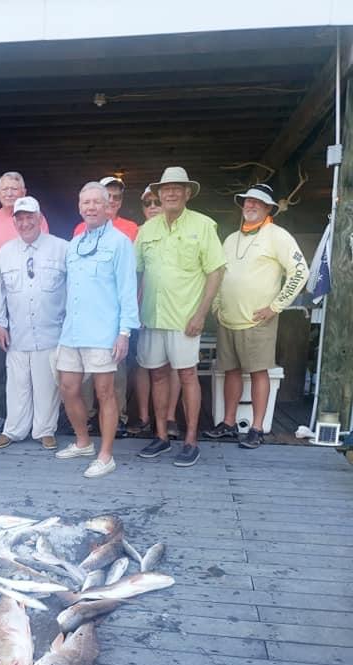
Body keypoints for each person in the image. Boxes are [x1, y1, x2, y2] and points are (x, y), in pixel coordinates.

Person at [204, 183, 309, 449]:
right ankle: (228, 423)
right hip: (228, 319)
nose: (250, 205)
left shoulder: (277, 235)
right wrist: (216, 305)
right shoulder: (231, 239)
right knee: (230, 372)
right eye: (247, 201)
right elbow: (220, 274)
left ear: (268, 208)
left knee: (259, 373)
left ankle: (257, 428)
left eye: (257, 202)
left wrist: (275, 307)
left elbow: (300, 271)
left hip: (258, 319)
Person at [135, 166, 225, 467]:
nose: (171, 193)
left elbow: (216, 272)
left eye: (177, 188)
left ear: (187, 193)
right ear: (159, 194)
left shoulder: (203, 225)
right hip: (152, 317)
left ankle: (190, 441)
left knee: (187, 375)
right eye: (166, 188)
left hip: (185, 318)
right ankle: (161, 436)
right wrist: (133, 311)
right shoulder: (147, 230)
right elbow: (136, 273)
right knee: (157, 374)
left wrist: (201, 314)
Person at [55, 181, 139, 479]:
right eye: (85, 202)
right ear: (80, 207)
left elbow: (128, 289)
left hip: (104, 332)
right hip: (72, 331)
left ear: (108, 207)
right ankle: (83, 442)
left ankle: (106, 455)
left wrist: (124, 332)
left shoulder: (120, 242)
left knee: (105, 393)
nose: (90, 207)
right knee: (68, 387)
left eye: (96, 202)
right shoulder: (75, 243)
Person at [0, 197, 67, 450]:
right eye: (19, 218)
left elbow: (73, 290)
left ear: (40, 218)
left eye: (29, 217)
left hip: (51, 331)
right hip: (18, 333)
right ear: (14, 222)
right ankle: (14, 429)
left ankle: (45, 430)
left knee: (47, 385)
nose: (25, 223)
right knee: (17, 385)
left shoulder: (62, 248)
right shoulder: (5, 252)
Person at [0, 171, 49, 432]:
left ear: (24, 192)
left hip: (29, 295)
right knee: (0, 361)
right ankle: (1, 413)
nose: (9, 193)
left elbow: (45, 257)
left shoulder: (37, 218)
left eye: (14, 189)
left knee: (33, 361)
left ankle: (34, 416)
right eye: (4, 189)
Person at [127, 183, 182, 439]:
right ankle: (144, 416)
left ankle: (170, 417)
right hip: (142, 309)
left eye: (156, 202)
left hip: (174, 309)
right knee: (142, 364)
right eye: (146, 203)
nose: (152, 207)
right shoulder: (137, 233)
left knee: (172, 364)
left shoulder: (179, 230)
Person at [72, 175, 139, 242]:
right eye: (107, 196)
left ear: (120, 202)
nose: (111, 200)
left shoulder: (131, 227)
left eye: (116, 197)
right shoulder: (80, 228)